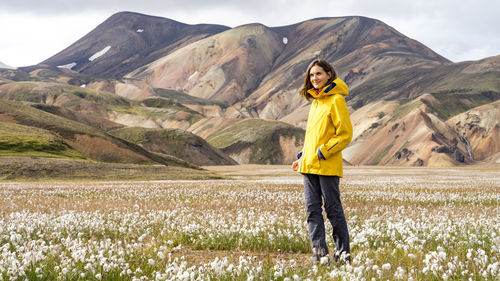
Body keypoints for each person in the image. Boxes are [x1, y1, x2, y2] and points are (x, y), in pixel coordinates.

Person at [291, 59, 353, 264]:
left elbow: (345, 134)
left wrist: (322, 152)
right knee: (312, 211)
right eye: (311, 75)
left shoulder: (336, 100)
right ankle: (320, 255)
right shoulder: (316, 101)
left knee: (333, 211)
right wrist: (303, 156)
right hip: (309, 166)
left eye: (318, 74)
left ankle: (343, 256)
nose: (314, 78)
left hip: (327, 166)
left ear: (329, 74)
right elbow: (315, 136)